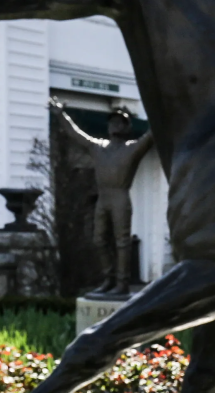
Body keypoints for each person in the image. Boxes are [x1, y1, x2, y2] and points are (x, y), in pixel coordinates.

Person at [49, 98, 154, 295]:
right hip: (103, 198)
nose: (114, 125)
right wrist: (60, 115)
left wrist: (163, 109)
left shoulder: (132, 148)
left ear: (127, 127)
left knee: (122, 241)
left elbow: (152, 134)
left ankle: (122, 283)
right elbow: (75, 134)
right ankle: (109, 279)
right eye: (112, 121)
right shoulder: (98, 147)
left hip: (120, 196)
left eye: (119, 122)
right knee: (99, 240)